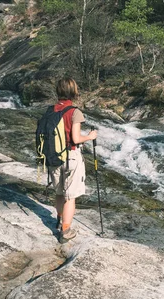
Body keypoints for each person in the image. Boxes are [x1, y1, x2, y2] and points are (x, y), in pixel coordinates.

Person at [48, 78, 97, 243]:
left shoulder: (51, 110)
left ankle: (59, 220)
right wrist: (90, 136)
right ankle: (66, 231)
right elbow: (76, 139)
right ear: (73, 92)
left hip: (53, 156)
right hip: (70, 157)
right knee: (71, 196)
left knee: (59, 192)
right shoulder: (75, 112)